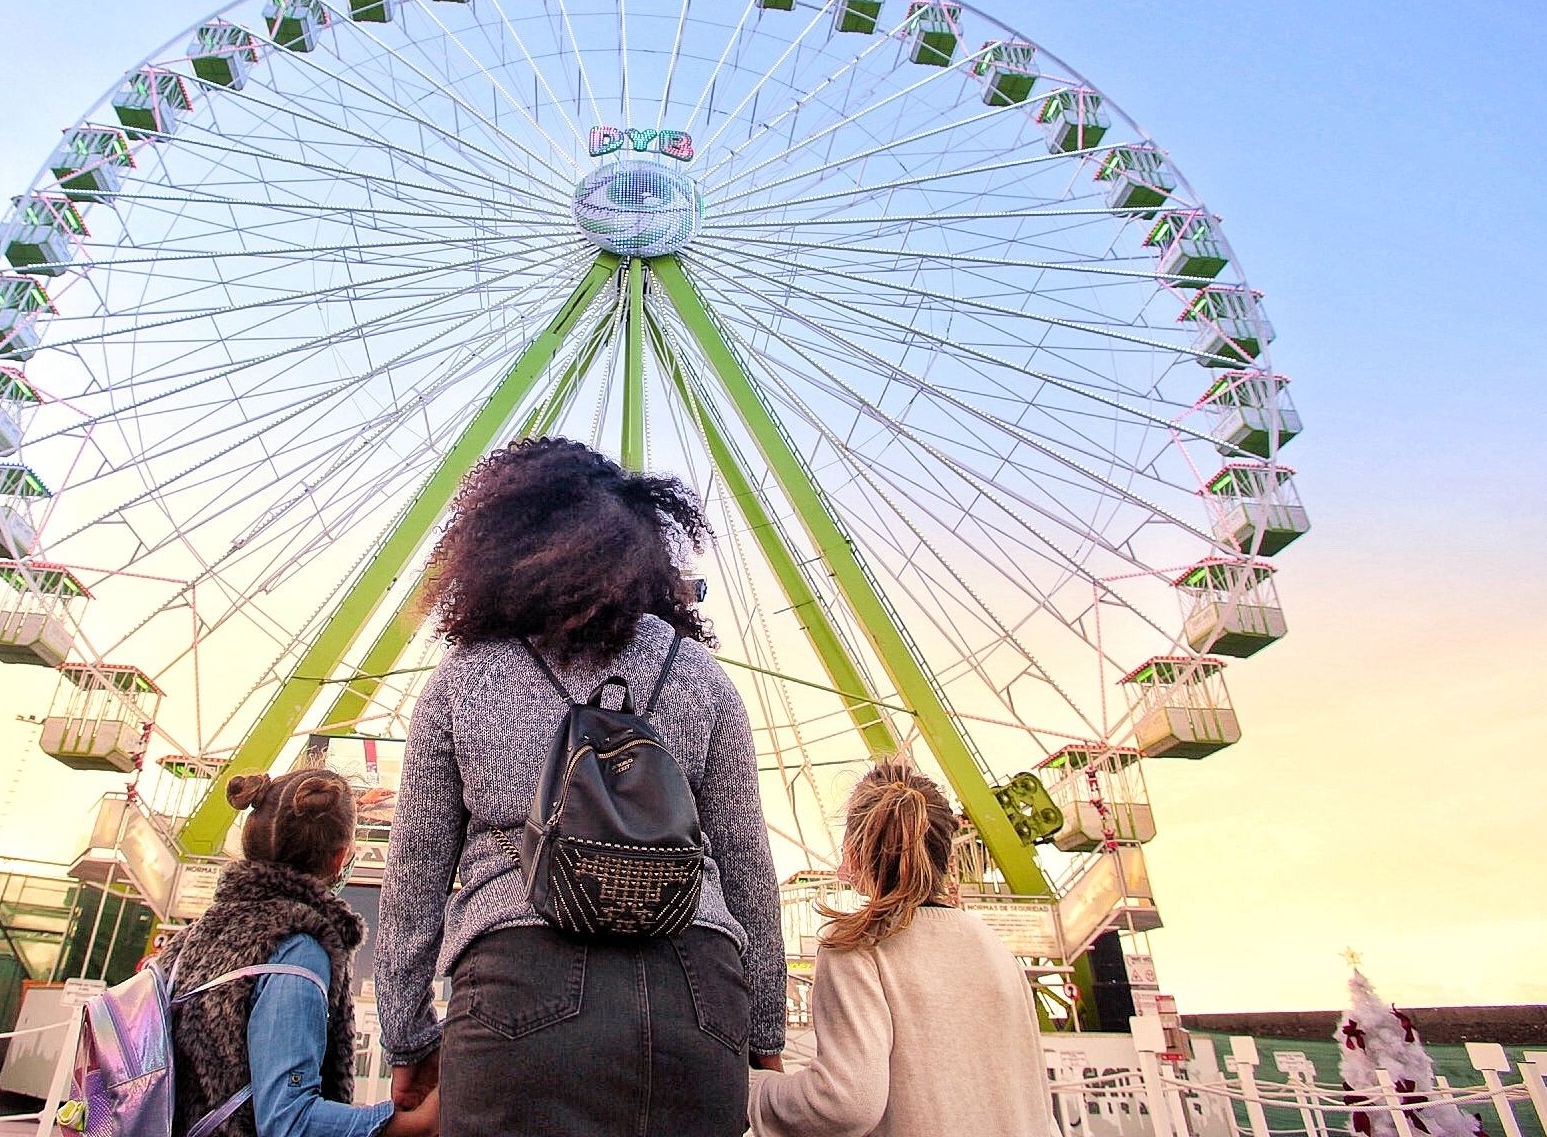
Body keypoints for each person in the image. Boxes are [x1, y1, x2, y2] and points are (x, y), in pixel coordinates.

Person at [375, 438, 786, 1137]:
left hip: (519, 980)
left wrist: (408, 1034)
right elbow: (747, 864)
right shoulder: (704, 680)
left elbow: (415, 874)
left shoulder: (463, 679)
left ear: (502, 547)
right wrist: (764, 1029)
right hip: (699, 989)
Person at [749, 760, 1054, 1137]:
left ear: (856, 853)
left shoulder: (857, 949)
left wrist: (754, 1091)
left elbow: (845, 1102)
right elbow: (1037, 1099)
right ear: (947, 852)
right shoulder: (994, 947)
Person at [161, 767, 438, 1137]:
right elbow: (290, 1122)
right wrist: (413, 1123)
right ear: (340, 858)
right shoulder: (296, 949)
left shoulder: (188, 943)